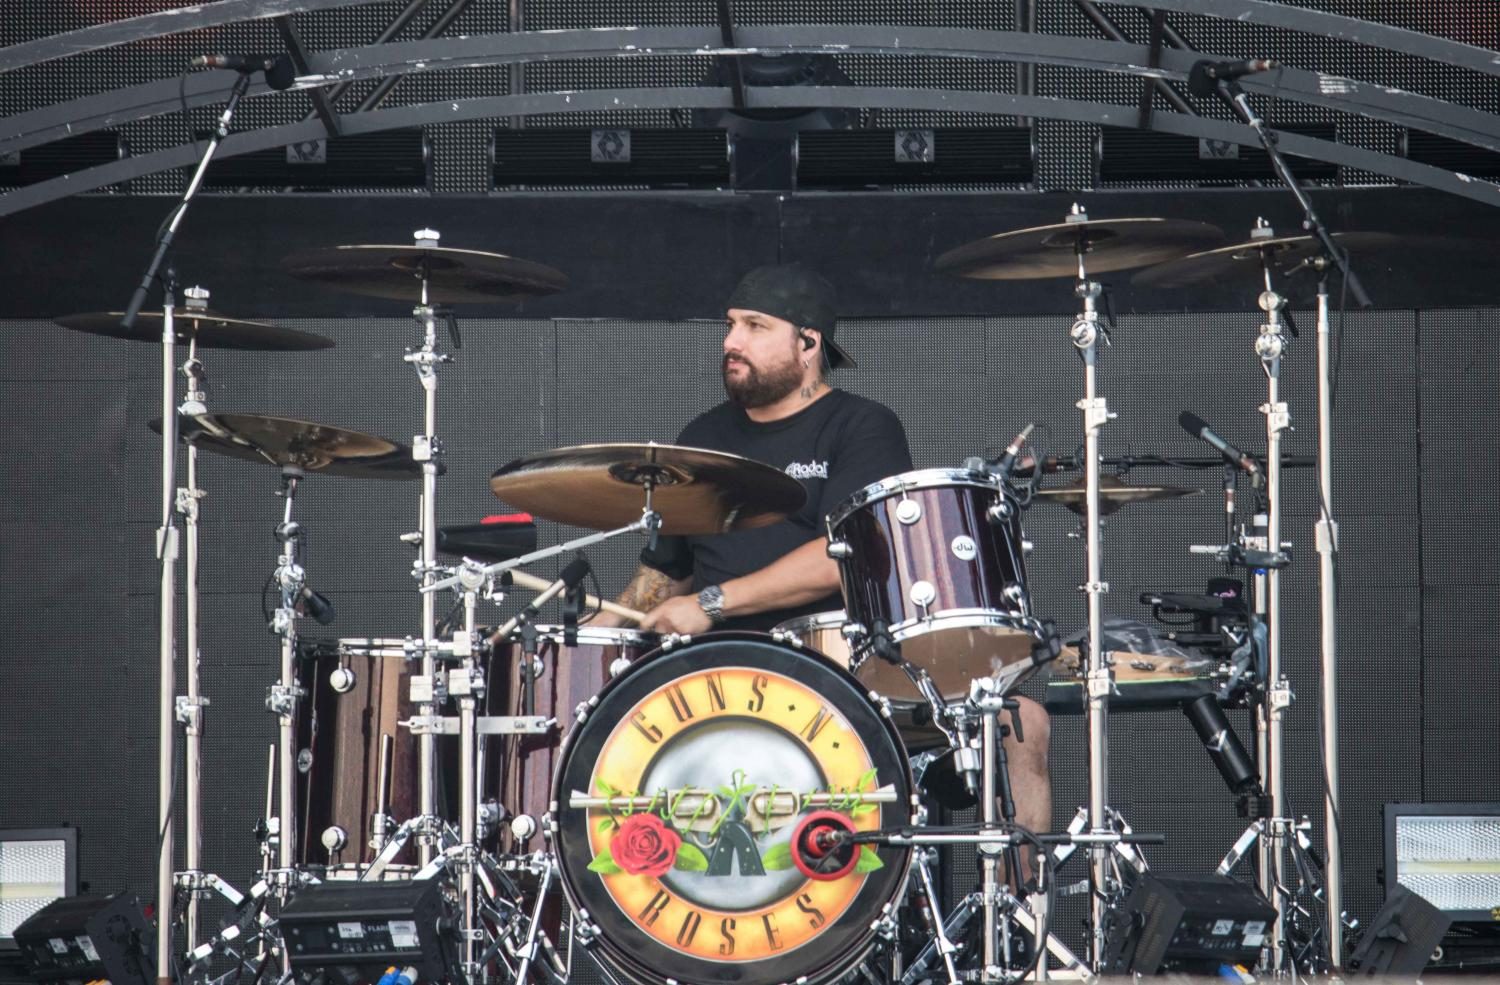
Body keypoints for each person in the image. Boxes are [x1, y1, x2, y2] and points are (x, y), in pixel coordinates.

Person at [606, 263, 1053, 853]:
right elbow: (665, 569)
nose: (730, 342)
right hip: (714, 678)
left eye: (754, 326)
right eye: (730, 326)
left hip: (837, 671)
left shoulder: (859, 426)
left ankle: (1020, 926)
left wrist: (712, 603)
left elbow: (849, 554)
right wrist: (599, 630)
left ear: (808, 343)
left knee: (1021, 722)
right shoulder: (703, 435)